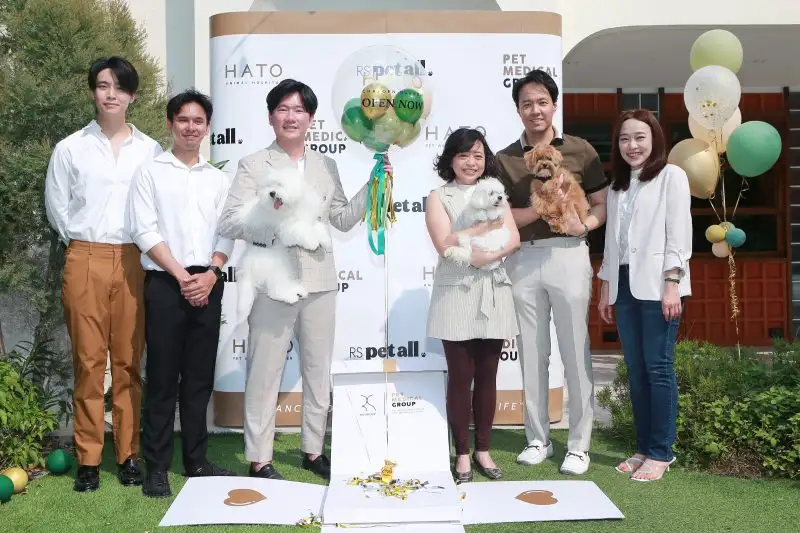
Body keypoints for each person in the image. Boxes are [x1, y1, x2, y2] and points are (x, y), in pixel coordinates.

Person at [217, 79, 391, 481]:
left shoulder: (325, 166)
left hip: (320, 281)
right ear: (270, 117)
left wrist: (374, 184)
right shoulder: (254, 164)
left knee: (317, 370)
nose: (291, 117)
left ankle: (313, 450)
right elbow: (229, 222)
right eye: (283, 109)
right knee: (264, 373)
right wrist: (278, 228)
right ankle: (259, 458)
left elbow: (342, 219)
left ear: (311, 118)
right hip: (273, 283)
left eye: (298, 110)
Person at [44, 56, 162, 492]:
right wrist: (84, 245)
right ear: (93, 91)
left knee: (128, 362)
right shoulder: (70, 148)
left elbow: (157, 207)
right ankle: (89, 459)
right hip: (85, 256)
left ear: (133, 95)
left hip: (134, 258)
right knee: (89, 362)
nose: (110, 94)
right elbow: (58, 208)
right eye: (102, 85)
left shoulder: (151, 151)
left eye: (119, 87)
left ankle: (129, 455)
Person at [495, 69, 609, 475]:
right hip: (524, 258)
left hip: (568, 254)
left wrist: (584, 226)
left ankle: (579, 445)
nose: (535, 110)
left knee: (575, 350)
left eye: (542, 101)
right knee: (531, 351)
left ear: (554, 105)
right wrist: (538, 209)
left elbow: (601, 204)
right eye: (527, 103)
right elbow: (500, 216)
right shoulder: (504, 158)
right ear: (518, 110)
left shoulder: (580, 150)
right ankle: (537, 439)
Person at [128, 89, 236, 497]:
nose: (191, 127)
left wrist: (211, 273)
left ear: (207, 127)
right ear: (171, 123)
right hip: (165, 283)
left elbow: (228, 232)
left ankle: (196, 461)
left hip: (208, 283)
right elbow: (143, 230)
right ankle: (157, 467)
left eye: (198, 121)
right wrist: (181, 276)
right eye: (183, 120)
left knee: (198, 377)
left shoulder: (219, 180)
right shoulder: (150, 172)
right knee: (161, 377)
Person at [597, 109, 692, 481]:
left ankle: (661, 452)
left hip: (658, 285)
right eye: (624, 139)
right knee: (636, 370)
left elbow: (679, 234)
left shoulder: (672, 176)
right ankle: (643, 448)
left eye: (639, 137)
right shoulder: (616, 187)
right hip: (623, 284)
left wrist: (672, 283)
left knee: (658, 367)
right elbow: (612, 243)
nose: (631, 145)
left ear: (654, 139)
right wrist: (606, 286)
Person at [425, 128, 520, 483]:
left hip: (493, 291)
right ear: (451, 159)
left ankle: (484, 450)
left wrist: (488, 255)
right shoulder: (439, 197)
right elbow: (444, 242)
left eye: (478, 155)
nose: (471, 162)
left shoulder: (496, 191)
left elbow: (514, 238)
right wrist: (481, 230)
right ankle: (462, 454)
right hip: (455, 294)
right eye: (464, 155)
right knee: (460, 377)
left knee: (488, 376)